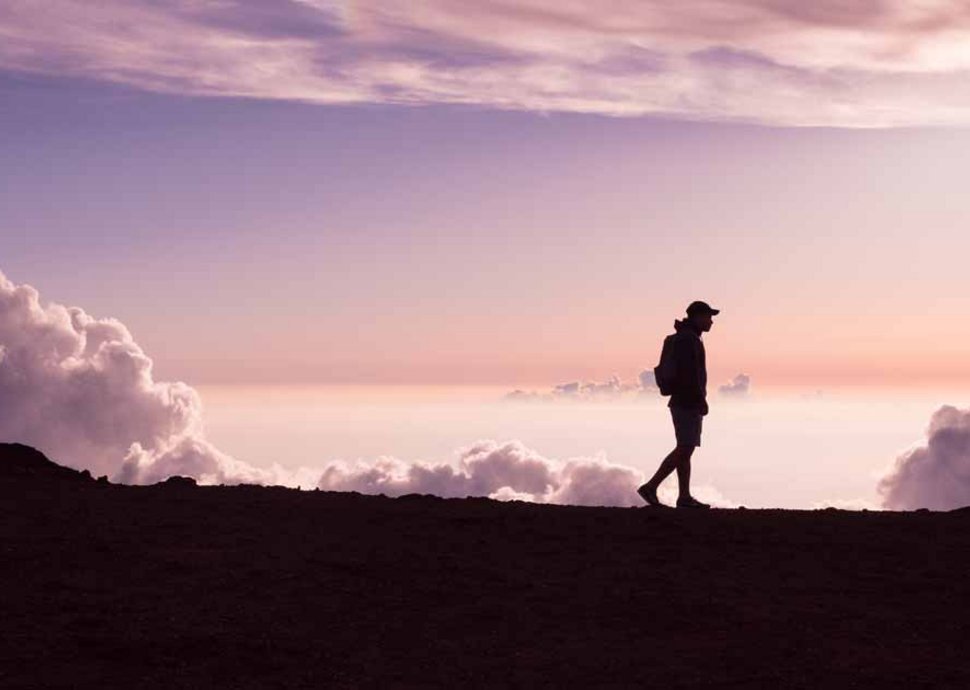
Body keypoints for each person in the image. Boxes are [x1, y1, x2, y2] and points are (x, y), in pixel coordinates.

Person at [638, 301, 719, 509]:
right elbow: (690, 374)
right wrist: (701, 399)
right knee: (685, 447)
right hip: (687, 401)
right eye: (708, 317)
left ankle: (684, 497)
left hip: (683, 400)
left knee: (686, 448)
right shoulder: (688, 340)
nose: (711, 321)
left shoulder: (688, 338)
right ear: (697, 316)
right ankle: (651, 486)